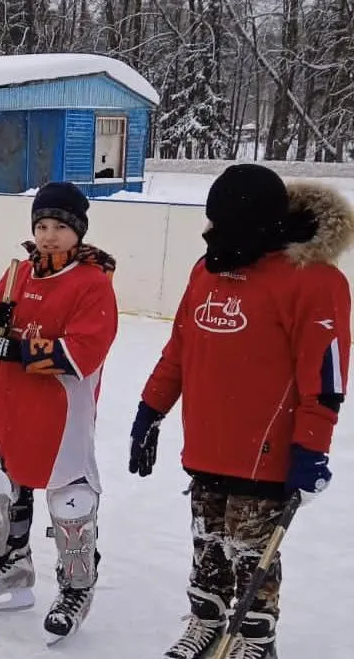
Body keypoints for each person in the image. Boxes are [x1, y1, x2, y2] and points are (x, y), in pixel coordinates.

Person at [130, 164, 351, 659]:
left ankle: (254, 638)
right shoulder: (207, 269)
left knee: (253, 553)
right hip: (208, 440)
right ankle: (206, 620)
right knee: (207, 542)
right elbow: (180, 349)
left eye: (225, 227)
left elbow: (326, 378)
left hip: (266, 450)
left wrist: (311, 449)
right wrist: (151, 408)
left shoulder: (314, 280)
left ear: (261, 228)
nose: (213, 237)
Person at [0, 181, 118, 645]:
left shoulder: (91, 284)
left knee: (71, 496)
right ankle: (14, 566)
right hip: (10, 403)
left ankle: (76, 586)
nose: (49, 236)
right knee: (5, 483)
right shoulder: (18, 275)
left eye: (60, 227)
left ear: (79, 232)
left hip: (61, 411)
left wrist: (21, 347)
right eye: (42, 226)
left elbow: (84, 351)